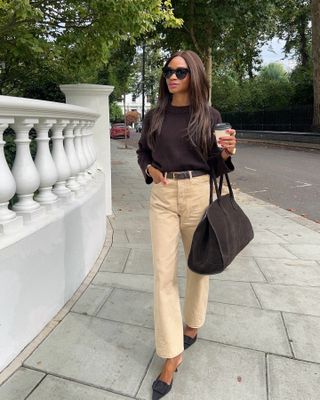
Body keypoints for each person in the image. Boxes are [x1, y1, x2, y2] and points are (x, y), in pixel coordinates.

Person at [136, 50, 237, 399]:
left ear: (194, 74)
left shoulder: (209, 116)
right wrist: (150, 169)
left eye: (180, 71)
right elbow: (143, 152)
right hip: (163, 197)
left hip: (197, 192)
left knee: (198, 266)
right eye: (168, 71)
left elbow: (215, 164)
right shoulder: (155, 116)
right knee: (163, 274)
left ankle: (192, 323)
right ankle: (170, 353)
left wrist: (225, 153)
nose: (172, 76)